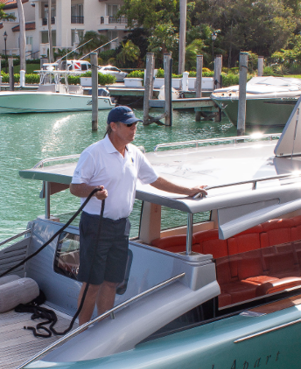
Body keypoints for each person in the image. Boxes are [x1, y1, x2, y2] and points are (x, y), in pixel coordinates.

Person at [70, 106, 207, 324]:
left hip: (121, 226)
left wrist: (188, 190)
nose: (134, 128)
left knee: (112, 281)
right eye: (129, 125)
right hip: (95, 225)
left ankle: (103, 328)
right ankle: (81, 332)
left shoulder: (134, 153)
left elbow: (155, 180)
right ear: (113, 127)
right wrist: (93, 191)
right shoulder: (93, 153)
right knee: (92, 283)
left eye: (135, 124)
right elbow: (75, 187)